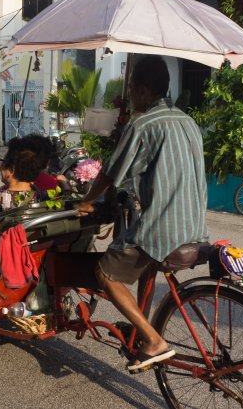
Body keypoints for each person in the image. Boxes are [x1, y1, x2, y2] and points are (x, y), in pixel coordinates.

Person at [76, 55, 208, 372]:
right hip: (195, 225)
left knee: (106, 273)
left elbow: (112, 172)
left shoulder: (143, 123)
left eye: (133, 86)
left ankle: (152, 340)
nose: (131, 92)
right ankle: (138, 331)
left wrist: (87, 200)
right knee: (137, 258)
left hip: (163, 228)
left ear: (144, 89)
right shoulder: (186, 120)